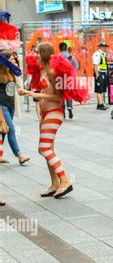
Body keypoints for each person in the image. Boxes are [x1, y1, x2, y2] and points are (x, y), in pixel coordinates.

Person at [23, 42, 89, 198]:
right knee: (49, 150)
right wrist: (28, 92)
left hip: (54, 112)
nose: (35, 54)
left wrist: (38, 95)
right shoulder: (43, 70)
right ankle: (54, 184)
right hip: (45, 113)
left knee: (43, 149)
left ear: (45, 53)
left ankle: (65, 181)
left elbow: (59, 97)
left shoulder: (52, 72)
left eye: (38, 52)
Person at [0, 18, 30, 165]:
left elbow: (16, 86)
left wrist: (22, 90)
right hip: (2, 105)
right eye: (11, 59)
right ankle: (19, 155)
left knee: (3, 130)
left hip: (10, 103)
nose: (14, 61)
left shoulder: (12, 73)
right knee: (10, 129)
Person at [59, 42, 78, 119]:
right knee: (69, 94)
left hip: (59, 79)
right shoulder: (71, 57)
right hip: (69, 78)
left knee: (61, 95)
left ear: (59, 49)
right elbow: (75, 67)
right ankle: (69, 107)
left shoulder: (58, 57)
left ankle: (62, 111)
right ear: (66, 48)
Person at [92, 41, 109, 110]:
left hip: (103, 72)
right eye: (104, 47)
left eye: (105, 47)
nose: (105, 48)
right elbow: (95, 64)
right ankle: (100, 104)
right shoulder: (97, 54)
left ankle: (100, 103)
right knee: (99, 89)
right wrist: (97, 74)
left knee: (102, 89)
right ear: (100, 47)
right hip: (99, 73)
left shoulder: (104, 54)